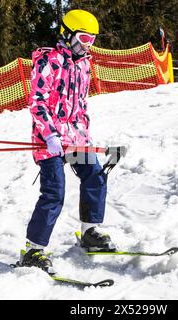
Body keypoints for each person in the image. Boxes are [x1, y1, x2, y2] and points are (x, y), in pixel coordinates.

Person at [19, 9, 115, 272]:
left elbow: (80, 104)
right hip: (48, 139)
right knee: (54, 192)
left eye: (92, 40)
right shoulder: (47, 61)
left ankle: (90, 231)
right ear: (67, 33)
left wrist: (84, 133)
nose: (87, 45)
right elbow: (37, 103)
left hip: (76, 138)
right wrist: (50, 135)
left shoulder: (84, 64)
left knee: (95, 175)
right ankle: (33, 250)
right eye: (83, 38)